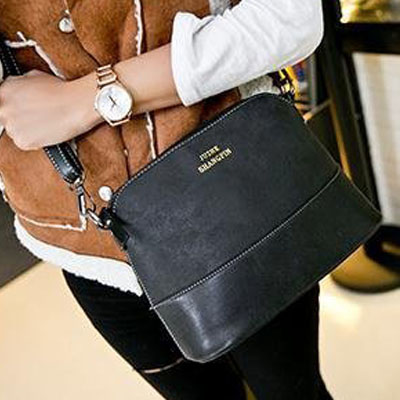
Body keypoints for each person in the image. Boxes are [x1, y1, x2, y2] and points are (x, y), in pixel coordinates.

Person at [0, 0, 332, 398]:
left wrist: (91, 98)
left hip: (234, 205)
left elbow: (291, 19)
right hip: (86, 251)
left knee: (292, 391)